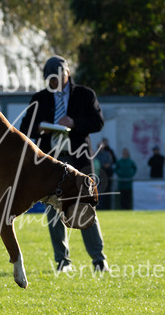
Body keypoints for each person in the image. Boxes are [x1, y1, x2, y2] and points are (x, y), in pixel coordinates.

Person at [21, 55, 108, 274]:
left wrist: (74, 123)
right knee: (54, 211)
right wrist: (39, 128)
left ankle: (99, 261)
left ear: (66, 73)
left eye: (57, 78)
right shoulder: (39, 98)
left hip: (78, 160)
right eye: (49, 80)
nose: (53, 84)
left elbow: (98, 122)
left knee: (85, 208)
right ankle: (62, 263)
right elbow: (25, 128)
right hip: (51, 162)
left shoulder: (85, 95)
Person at [96, 138, 117, 209]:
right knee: (100, 193)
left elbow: (111, 163)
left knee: (108, 193)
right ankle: (101, 207)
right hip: (100, 176)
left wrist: (107, 166)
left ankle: (108, 207)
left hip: (108, 176)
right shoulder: (96, 155)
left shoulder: (108, 154)